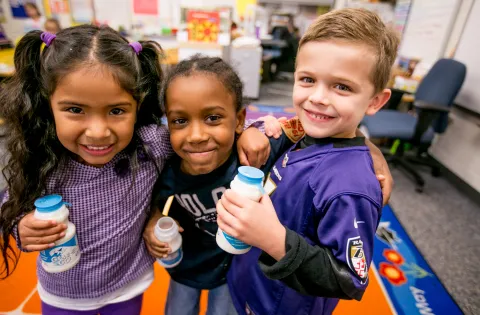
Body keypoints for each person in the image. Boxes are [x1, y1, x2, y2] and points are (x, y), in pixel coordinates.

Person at [0, 26, 267, 315]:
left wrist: (253, 130)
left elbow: (202, 136)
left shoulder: (148, 145)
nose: (98, 132)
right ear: (47, 104)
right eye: (75, 110)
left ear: (136, 106)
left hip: (128, 287)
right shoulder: (44, 158)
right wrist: (20, 227)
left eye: (116, 111)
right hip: (64, 295)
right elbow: (11, 204)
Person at [143, 55, 393, 315]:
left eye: (213, 118)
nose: (196, 136)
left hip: (233, 270)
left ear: (239, 120)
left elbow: (317, 127)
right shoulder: (167, 166)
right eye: (180, 121)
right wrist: (154, 218)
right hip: (187, 266)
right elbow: (152, 199)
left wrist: (372, 153)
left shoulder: (254, 153)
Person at [217, 8, 400, 315]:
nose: (318, 97)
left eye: (341, 86)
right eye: (307, 79)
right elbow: (278, 131)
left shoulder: (351, 188)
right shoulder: (306, 130)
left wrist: (275, 239)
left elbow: (349, 281)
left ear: (375, 102)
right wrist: (254, 132)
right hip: (252, 284)